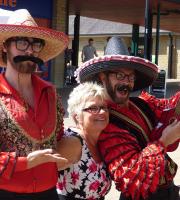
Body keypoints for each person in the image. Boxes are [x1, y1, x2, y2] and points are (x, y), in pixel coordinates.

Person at [75, 36, 180, 200]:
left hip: (169, 191)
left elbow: (169, 109)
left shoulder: (141, 104)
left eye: (130, 77)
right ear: (103, 77)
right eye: (119, 76)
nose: (127, 83)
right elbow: (130, 176)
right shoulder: (104, 120)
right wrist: (164, 141)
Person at [0, 8, 69, 199]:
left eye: (36, 44)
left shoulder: (50, 93)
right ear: (5, 46)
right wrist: (27, 162)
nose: (30, 50)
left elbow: (59, 137)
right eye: (22, 43)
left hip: (48, 193)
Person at [56, 82, 111, 199]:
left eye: (103, 107)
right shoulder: (73, 143)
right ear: (77, 116)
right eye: (93, 108)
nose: (102, 112)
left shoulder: (100, 141)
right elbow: (40, 175)